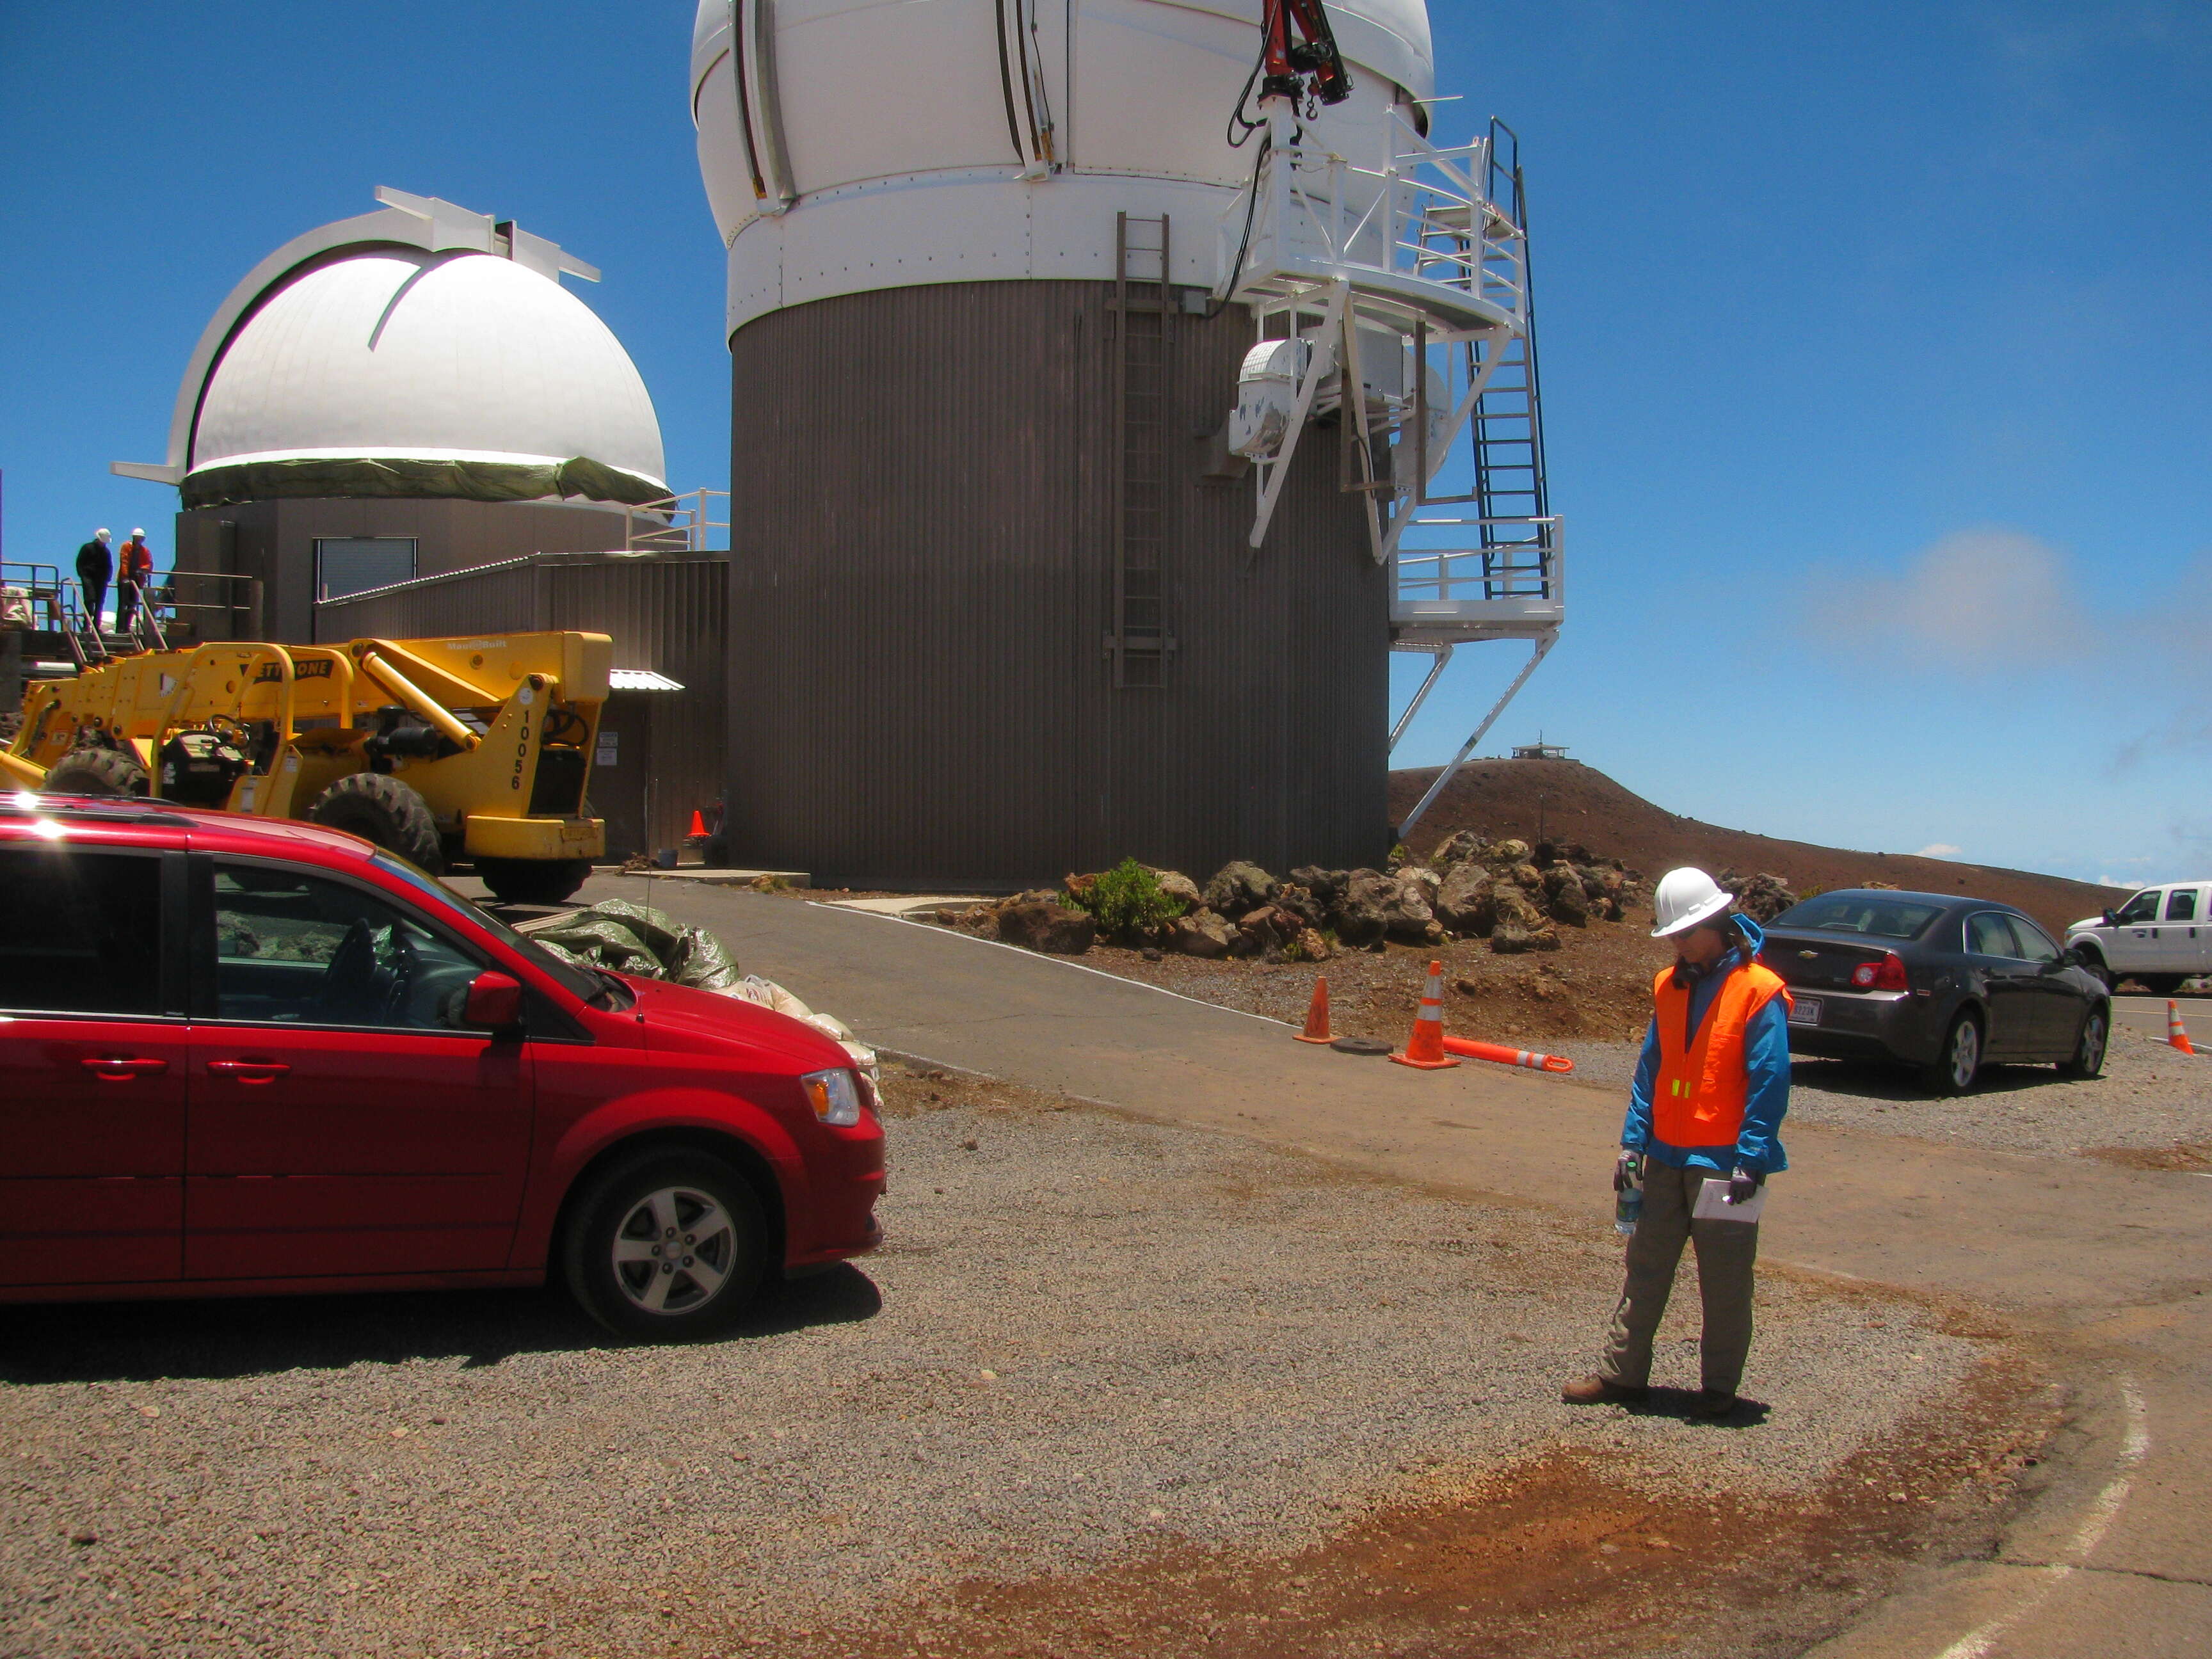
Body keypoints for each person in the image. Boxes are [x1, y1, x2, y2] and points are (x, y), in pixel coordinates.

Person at [1562, 867, 1790, 1420]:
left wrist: (1752, 1158)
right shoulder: (1669, 986)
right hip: (1664, 1154)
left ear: (1718, 922)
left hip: (1724, 1164)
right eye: (1673, 937)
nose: (1680, 946)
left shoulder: (1760, 992)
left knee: (1726, 1282)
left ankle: (1718, 1391)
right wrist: (1631, 1145)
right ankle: (1622, 1376)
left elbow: (1770, 1080)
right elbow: (1650, 1072)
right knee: (1645, 1268)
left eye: (1687, 934)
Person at [116, 529, 156, 637]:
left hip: (137, 580)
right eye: (136, 538)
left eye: (140, 538)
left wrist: (142, 570)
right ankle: (120, 628)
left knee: (132, 604)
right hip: (125, 581)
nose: (138, 540)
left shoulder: (145, 551)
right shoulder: (126, 547)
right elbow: (124, 561)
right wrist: (125, 577)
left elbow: (149, 564)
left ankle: (127, 627)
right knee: (123, 604)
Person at [75, 528, 114, 632]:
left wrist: (107, 578)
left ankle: (96, 627)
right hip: (88, 578)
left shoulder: (106, 552)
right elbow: (80, 562)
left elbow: (109, 566)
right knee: (90, 600)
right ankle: (86, 625)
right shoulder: (87, 548)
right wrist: (83, 575)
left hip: (101, 580)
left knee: (100, 603)